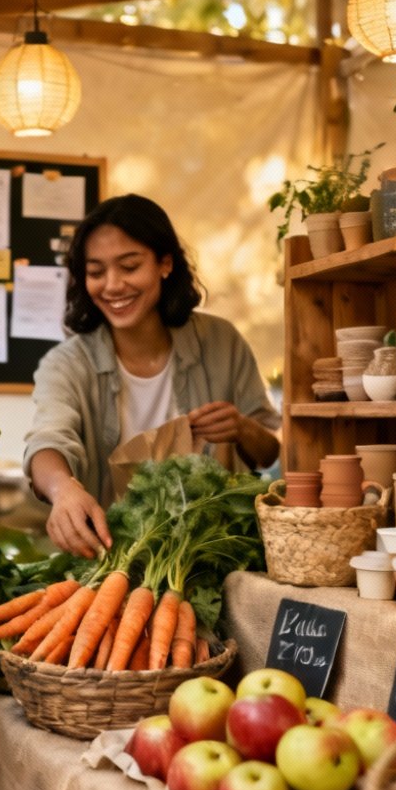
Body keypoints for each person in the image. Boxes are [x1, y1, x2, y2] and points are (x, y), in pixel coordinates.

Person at [25, 193, 281, 558]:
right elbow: (48, 439)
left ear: (165, 263)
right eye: (96, 272)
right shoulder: (67, 363)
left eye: (129, 267)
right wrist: (63, 489)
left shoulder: (221, 342)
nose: (112, 285)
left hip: (212, 559)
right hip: (106, 563)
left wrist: (242, 428)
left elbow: (269, 452)